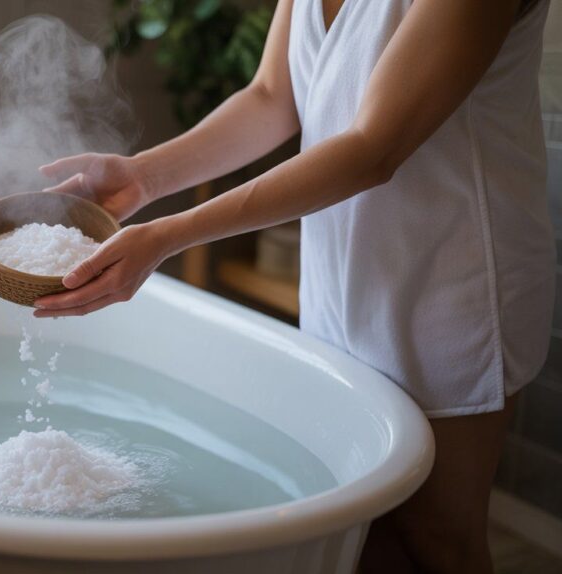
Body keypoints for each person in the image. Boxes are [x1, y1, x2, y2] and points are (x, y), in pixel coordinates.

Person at [34, 0, 555, 572]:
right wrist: (144, 176)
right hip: (345, 276)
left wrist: (168, 235)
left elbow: (374, 148)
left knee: (436, 535)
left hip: (452, 284)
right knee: (369, 532)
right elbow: (270, 97)